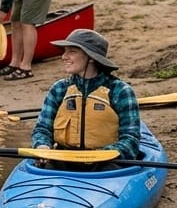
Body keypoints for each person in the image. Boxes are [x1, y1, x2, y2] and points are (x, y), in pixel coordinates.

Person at [31, 29, 142, 165]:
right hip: (63, 160)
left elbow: (131, 139)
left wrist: (103, 155)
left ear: (91, 58)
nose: (64, 57)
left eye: (71, 51)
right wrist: (42, 146)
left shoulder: (120, 91)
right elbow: (42, 128)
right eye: (65, 51)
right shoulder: (59, 88)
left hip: (105, 163)